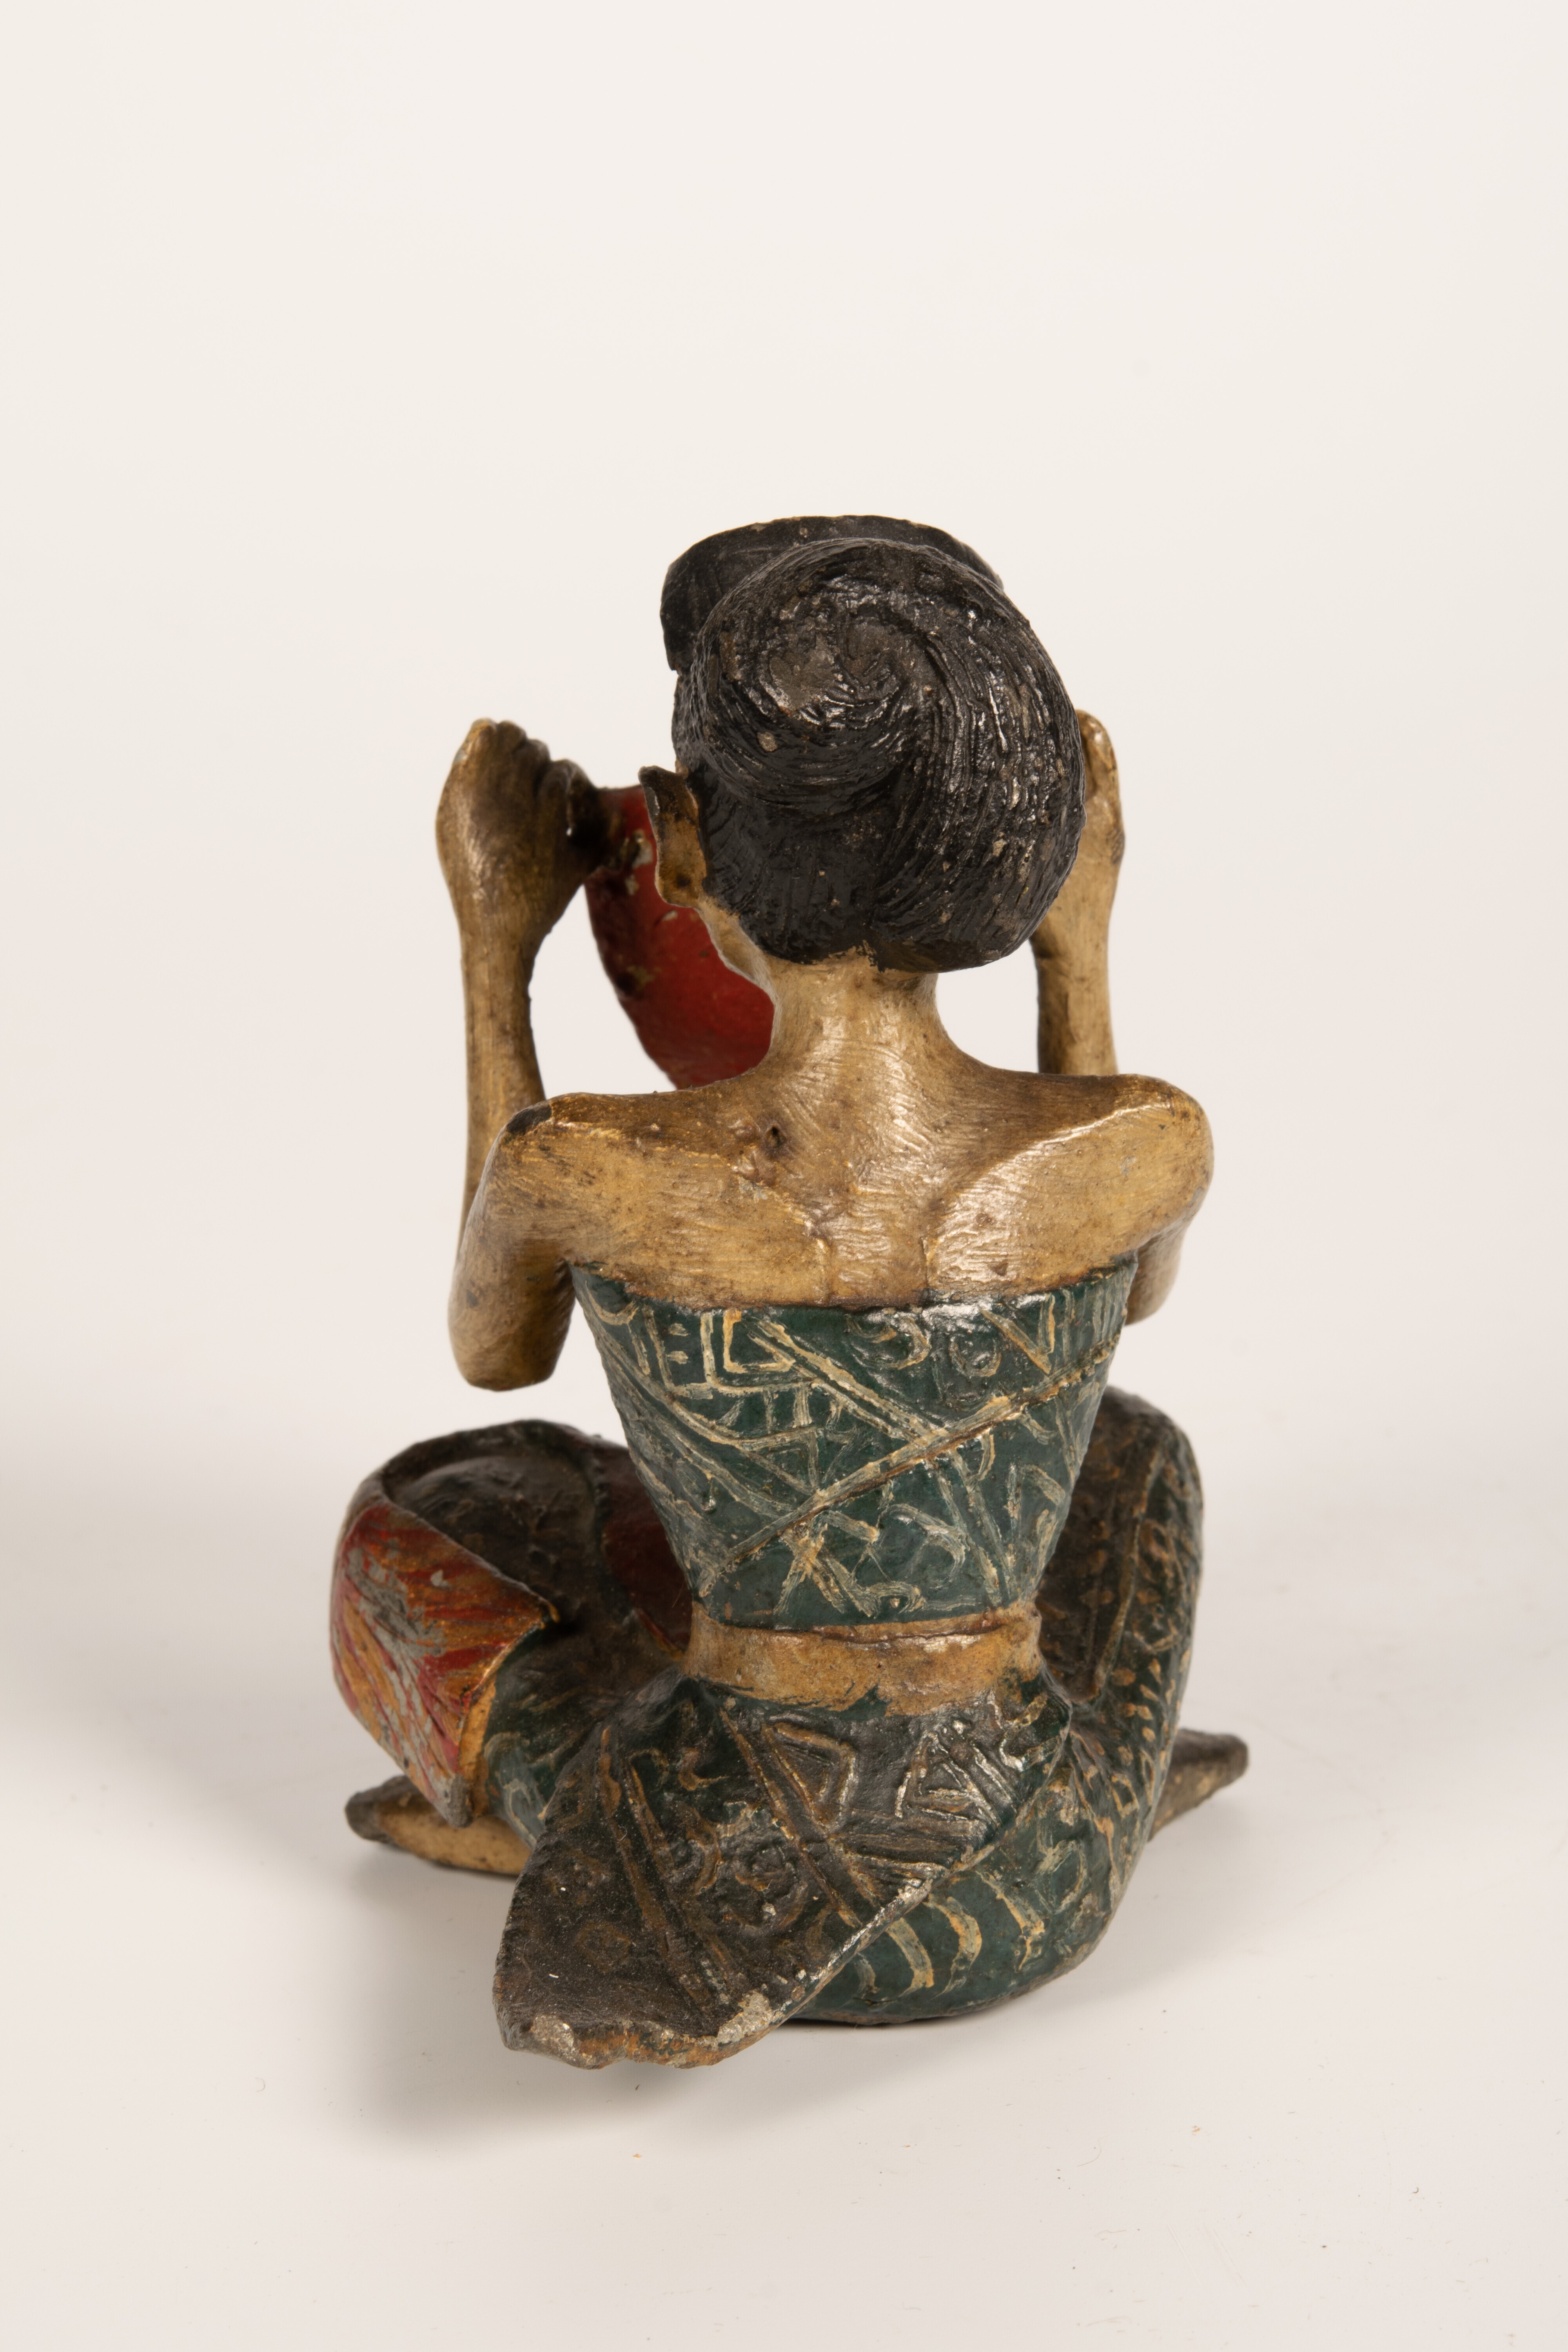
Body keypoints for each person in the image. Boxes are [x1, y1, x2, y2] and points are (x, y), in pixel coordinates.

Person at [416, 518, 1234, 2068]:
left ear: (682, 842)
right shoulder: (1151, 1144)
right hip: (1042, 1858)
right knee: (1132, 1449)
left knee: (433, 1513)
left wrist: (494, 947)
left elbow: (497, 1355)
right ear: (1032, 840)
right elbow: (1121, 1308)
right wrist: (1079, 947)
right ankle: (1070, 1782)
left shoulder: (579, 1164)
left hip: (746, 1840)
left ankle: (592, 1834)